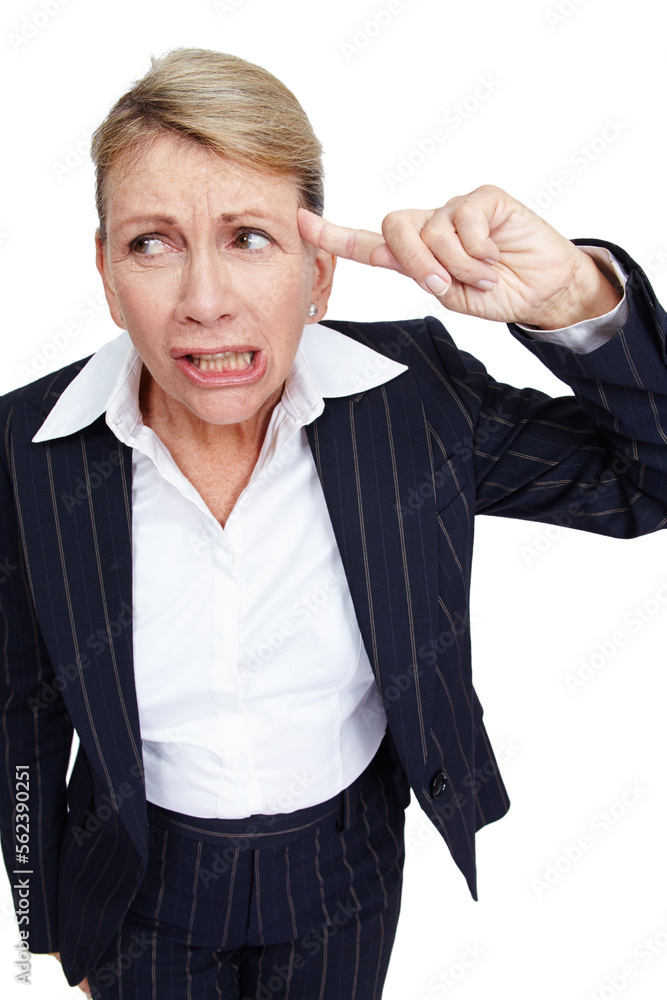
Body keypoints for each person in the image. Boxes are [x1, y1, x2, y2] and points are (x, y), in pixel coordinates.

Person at [0, 46, 665, 1000]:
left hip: (342, 869)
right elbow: (19, 705)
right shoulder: (26, 446)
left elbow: (648, 484)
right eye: (152, 242)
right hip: (140, 882)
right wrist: (40, 908)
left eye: (250, 238)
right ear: (106, 274)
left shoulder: (417, 401)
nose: (204, 302)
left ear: (320, 272)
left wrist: (572, 302)